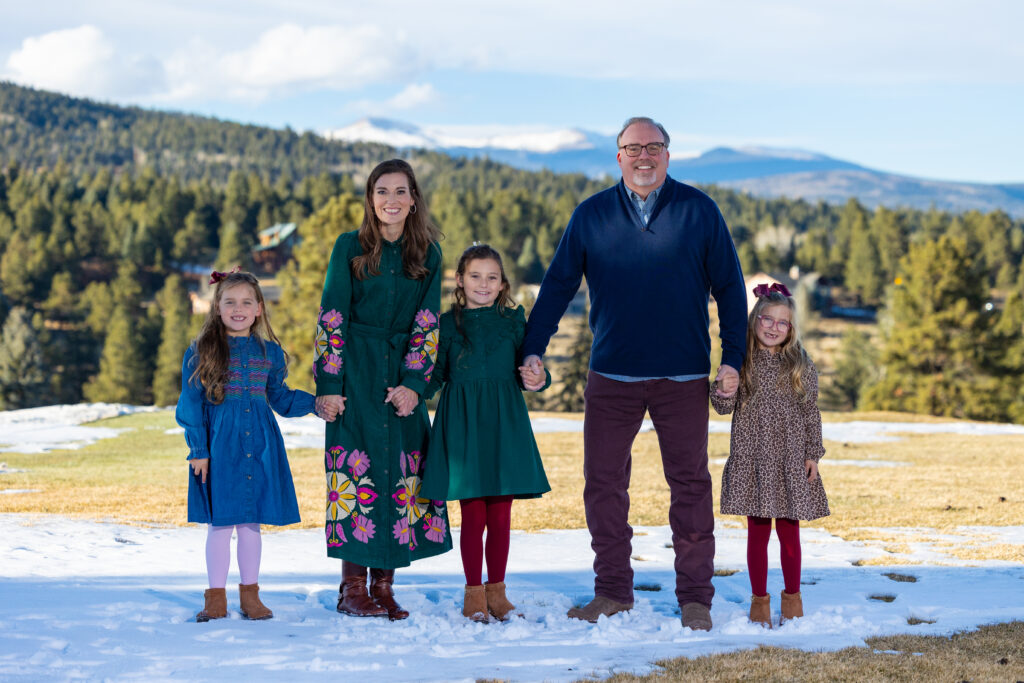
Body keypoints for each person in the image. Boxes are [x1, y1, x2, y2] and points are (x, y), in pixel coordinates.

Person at [520, 116, 748, 630]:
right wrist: (534, 348)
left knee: (689, 485)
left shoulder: (699, 211)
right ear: (618, 156)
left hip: (683, 376)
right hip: (611, 376)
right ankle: (613, 592)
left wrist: (732, 360)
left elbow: (731, 291)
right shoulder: (592, 215)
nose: (643, 156)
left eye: (653, 146)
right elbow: (557, 287)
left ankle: (695, 599)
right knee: (602, 485)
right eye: (632, 148)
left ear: (668, 153)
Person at [314, 158, 451, 621]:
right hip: (355, 373)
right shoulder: (349, 247)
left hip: (402, 378)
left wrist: (416, 384)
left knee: (400, 478)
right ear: (371, 200)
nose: (391, 200)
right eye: (382, 192)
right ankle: (351, 588)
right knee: (356, 475)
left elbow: (428, 321)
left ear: (414, 200)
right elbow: (332, 316)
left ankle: (384, 586)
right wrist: (330, 385)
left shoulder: (428, 253)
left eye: (400, 191)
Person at [176, 269, 324, 623]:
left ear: (259, 308)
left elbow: (281, 398)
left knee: (251, 524)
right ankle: (215, 599)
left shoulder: (270, 353)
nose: (238, 309)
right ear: (217, 307)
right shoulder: (202, 351)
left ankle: (250, 596)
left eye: (246, 302)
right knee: (221, 524)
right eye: (230, 302)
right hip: (220, 445)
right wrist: (198, 449)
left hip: (259, 443)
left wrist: (317, 404)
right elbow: (190, 403)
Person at [420, 244, 551, 623]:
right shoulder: (446, 324)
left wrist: (538, 377)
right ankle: (473, 593)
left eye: (492, 277)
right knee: (473, 514)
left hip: (504, 425)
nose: (483, 283)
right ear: (459, 280)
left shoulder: (514, 321)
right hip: (462, 426)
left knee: (501, 515)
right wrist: (411, 393)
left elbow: (532, 368)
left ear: (503, 283)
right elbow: (436, 376)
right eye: (475, 276)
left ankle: (498, 592)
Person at [710, 283, 829, 628]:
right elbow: (721, 407)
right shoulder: (740, 361)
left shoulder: (800, 364)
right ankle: (759, 602)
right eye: (768, 319)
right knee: (757, 533)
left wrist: (813, 454)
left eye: (783, 323)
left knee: (789, 533)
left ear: (791, 329)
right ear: (755, 319)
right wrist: (722, 386)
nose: (774, 327)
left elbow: (811, 412)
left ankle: (792, 599)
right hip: (752, 457)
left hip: (790, 459)